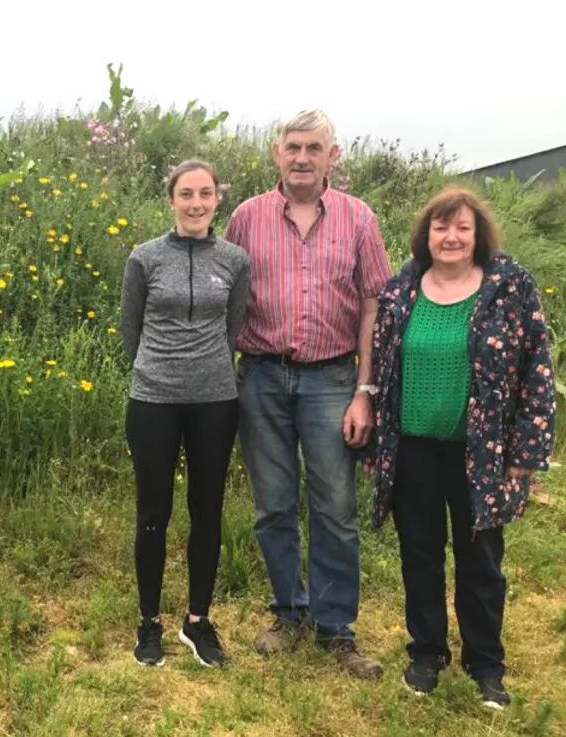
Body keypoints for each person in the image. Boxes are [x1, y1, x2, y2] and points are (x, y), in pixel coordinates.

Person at [365, 186, 556, 708]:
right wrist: (374, 440)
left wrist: (526, 450)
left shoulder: (509, 286)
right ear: (426, 235)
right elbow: (382, 365)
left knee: (481, 561)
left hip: (483, 452)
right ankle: (426, 653)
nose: (451, 237)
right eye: (440, 227)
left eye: (462, 228)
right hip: (411, 449)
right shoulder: (403, 287)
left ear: (478, 235)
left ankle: (485, 663)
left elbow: (537, 368)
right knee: (419, 555)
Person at [223, 109, 392, 679]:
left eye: (313, 148)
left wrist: (366, 388)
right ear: (277, 153)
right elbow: (225, 296)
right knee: (273, 507)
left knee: (336, 510)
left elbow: (374, 304)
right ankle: (287, 613)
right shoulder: (246, 218)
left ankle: (335, 629)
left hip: (332, 380)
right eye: (293, 147)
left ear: (332, 156)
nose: (301, 157)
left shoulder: (359, 219)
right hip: (262, 376)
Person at [120, 159, 250, 668]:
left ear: (218, 199)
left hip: (215, 400)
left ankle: (198, 621)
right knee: (153, 511)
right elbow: (131, 329)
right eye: (186, 194)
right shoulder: (145, 257)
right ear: (170, 199)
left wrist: (204, 368)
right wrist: (159, 370)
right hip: (153, 398)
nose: (196, 203)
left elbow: (233, 327)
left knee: (207, 508)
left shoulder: (235, 259)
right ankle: (148, 622)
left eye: (206, 194)